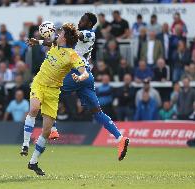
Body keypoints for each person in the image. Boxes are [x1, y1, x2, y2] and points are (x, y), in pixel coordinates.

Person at [26, 13, 129, 165]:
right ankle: (120, 139)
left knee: (52, 91)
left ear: (90, 24)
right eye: (80, 19)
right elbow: (59, 42)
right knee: (97, 112)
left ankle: (53, 128)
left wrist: (61, 30)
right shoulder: (74, 38)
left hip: (77, 72)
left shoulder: (89, 34)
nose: (80, 22)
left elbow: (74, 36)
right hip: (87, 77)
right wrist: (39, 41)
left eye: (83, 20)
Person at [21, 23, 89, 176]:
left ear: (65, 37)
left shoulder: (72, 55)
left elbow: (84, 72)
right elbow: (46, 42)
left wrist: (80, 77)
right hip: (39, 83)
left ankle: (33, 162)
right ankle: (25, 144)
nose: (57, 34)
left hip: (53, 92)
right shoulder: (55, 44)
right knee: (33, 108)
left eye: (60, 32)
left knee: (46, 132)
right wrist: (35, 42)